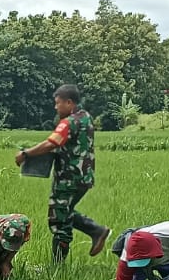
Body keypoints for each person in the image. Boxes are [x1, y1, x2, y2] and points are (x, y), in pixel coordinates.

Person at [15, 84, 111, 265]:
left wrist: (26, 154)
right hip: (84, 177)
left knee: (58, 220)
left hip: (69, 179)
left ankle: (57, 267)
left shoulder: (69, 122)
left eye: (58, 103)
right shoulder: (86, 117)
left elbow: (52, 143)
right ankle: (96, 231)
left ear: (69, 102)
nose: (55, 107)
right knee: (64, 213)